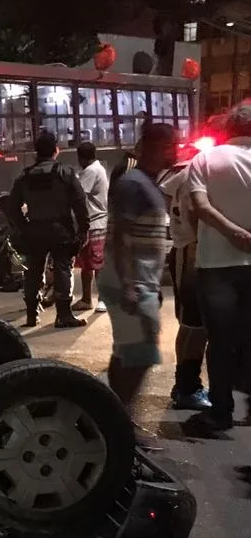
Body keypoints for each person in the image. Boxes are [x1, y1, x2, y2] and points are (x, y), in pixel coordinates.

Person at [99, 122, 178, 428]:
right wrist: (130, 285)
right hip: (129, 283)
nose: (175, 150)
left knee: (127, 354)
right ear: (154, 146)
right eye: (171, 145)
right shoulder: (134, 183)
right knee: (141, 354)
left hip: (139, 282)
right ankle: (121, 424)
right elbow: (120, 237)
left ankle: (115, 420)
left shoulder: (148, 183)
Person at [183, 102, 251, 434]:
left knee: (221, 341)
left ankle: (220, 411)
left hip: (217, 265)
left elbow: (200, 205)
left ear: (227, 129)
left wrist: (233, 232)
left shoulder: (205, 160)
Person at [4, 130, 91, 328]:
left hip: (34, 230)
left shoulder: (24, 176)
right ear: (56, 150)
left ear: (36, 152)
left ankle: (31, 316)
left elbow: (12, 207)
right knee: (62, 269)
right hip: (60, 229)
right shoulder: (65, 173)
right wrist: (84, 229)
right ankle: (63, 315)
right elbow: (79, 202)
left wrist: (23, 227)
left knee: (33, 272)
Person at [160, 150, 212, 412]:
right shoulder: (198, 168)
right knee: (194, 324)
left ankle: (188, 385)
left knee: (198, 324)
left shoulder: (191, 169)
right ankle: (186, 387)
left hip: (197, 249)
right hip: (194, 251)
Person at [72, 141, 110, 313]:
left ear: (81, 157)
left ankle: (102, 299)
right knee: (87, 265)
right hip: (92, 223)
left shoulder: (91, 171)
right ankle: (87, 299)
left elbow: (78, 194)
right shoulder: (96, 168)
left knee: (97, 264)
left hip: (95, 223)